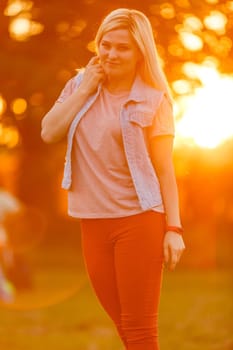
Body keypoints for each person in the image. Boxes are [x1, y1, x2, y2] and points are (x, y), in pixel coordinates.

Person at [41, 8, 185, 350]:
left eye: (122, 47)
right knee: (123, 325)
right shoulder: (79, 85)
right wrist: (87, 86)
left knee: (139, 330)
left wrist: (174, 229)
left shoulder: (154, 99)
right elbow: (49, 131)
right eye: (106, 44)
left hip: (139, 220)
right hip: (91, 220)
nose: (111, 54)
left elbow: (165, 169)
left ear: (140, 53)